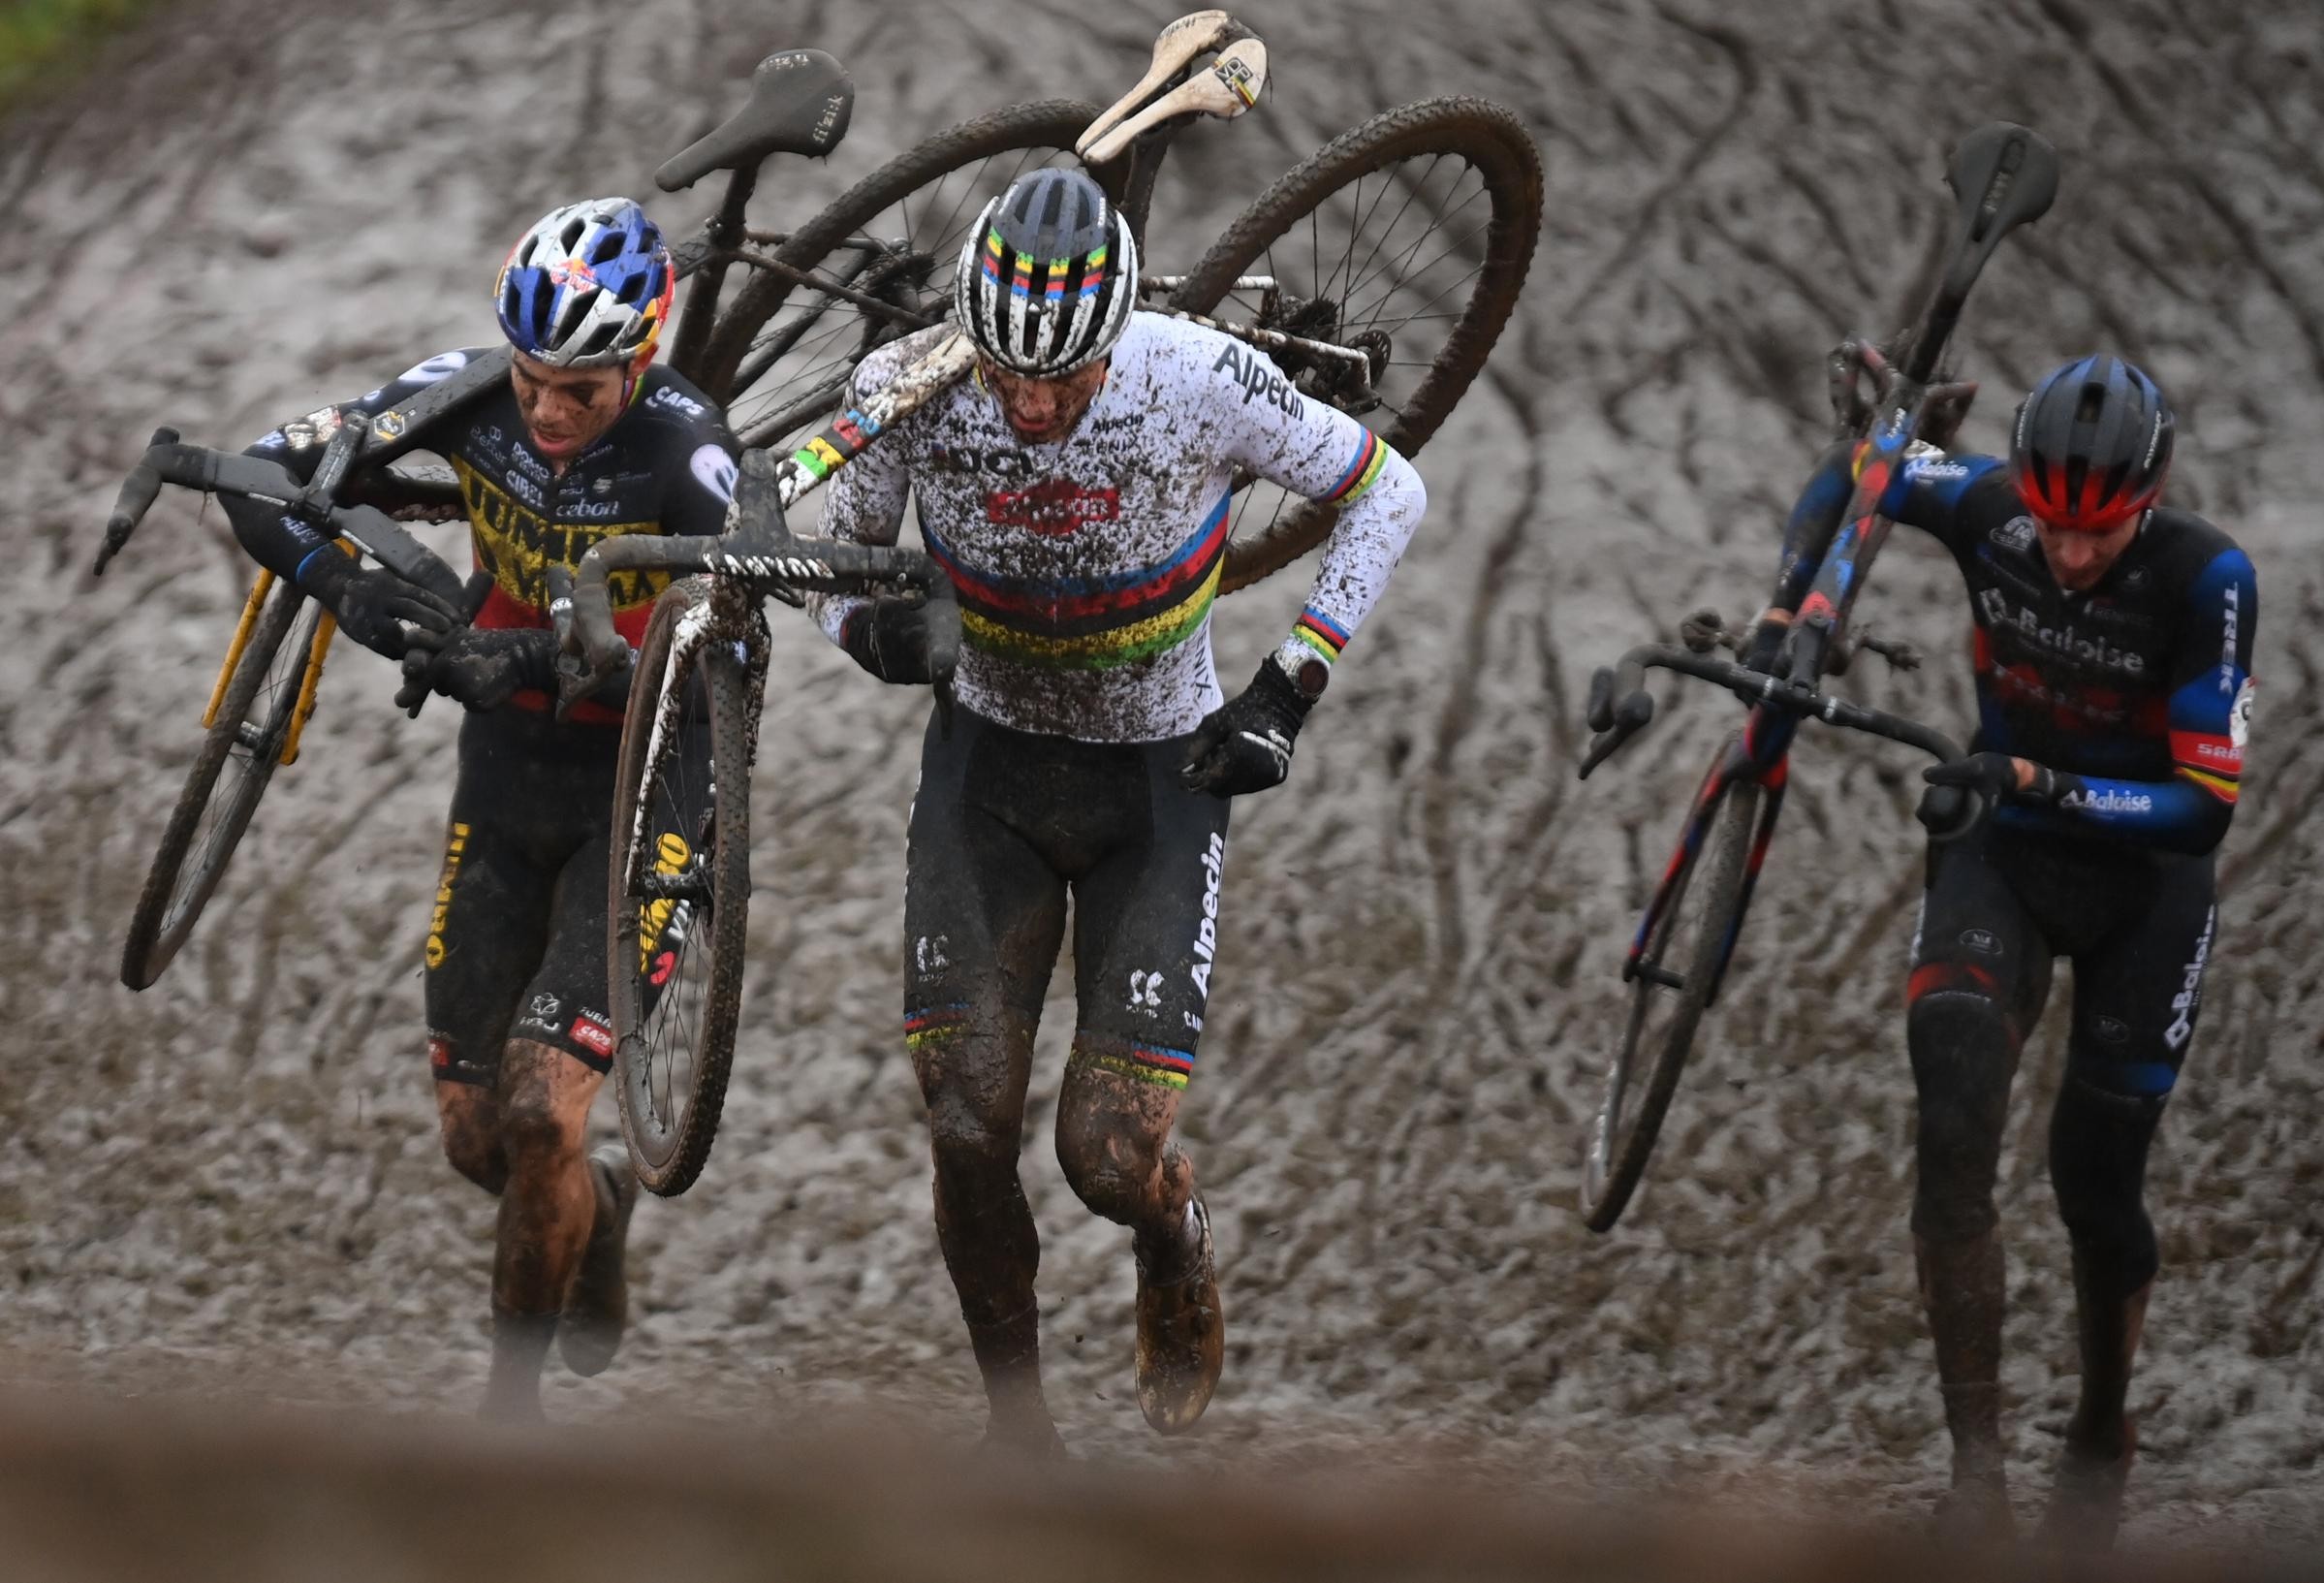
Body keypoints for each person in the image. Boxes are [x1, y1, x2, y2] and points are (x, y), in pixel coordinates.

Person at [807, 168, 1427, 1449]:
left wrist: (1285, 687)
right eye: (1006, 376)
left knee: (1104, 1156)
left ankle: (1169, 1224)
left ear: (1115, 338)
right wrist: (861, 625)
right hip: (986, 772)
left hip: (1159, 777)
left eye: (1064, 381)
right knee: (968, 1121)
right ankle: (1019, 1435)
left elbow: (1387, 490)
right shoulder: (910, 384)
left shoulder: (1192, 372)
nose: (1032, 406)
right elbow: (834, 560)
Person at [220, 197, 741, 1420]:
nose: (550, 413)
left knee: (537, 1103)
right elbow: (261, 476)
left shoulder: (687, 449)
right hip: (504, 776)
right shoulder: (464, 393)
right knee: (477, 1140)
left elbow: (735, 639)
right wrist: (354, 595)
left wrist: (576, 654)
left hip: (642, 789)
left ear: (643, 357)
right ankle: (595, 1210)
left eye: (582, 390)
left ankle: (509, 1415)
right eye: (530, 380)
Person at [1760, 352, 2256, 1543]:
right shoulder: (1988, 506)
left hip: (2144, 884)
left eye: (2103, 533)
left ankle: (2098, 1435)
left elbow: (2204, 806)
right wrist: (1789, 612)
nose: (2073, 555)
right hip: (2003, 850)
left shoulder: (2206, 577)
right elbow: (1863, 471)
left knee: (2094, 1184)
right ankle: (1974, 1478)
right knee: (1951, 1111)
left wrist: (2038, 774)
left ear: (2152, 495)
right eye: (2051, 528)